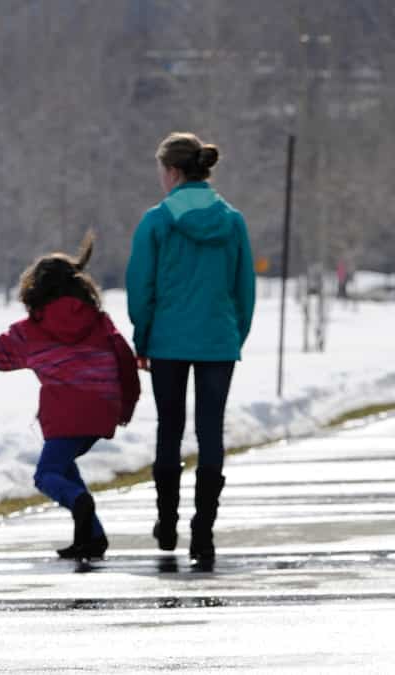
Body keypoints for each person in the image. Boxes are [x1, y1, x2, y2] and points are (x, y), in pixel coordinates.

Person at [0, 234, 140, 561]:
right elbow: (123, 358)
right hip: (102, 411)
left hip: (66, 415)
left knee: (46, 476)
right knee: (65, 468)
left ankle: (79, 503)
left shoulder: (31, 330)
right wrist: (126, 405)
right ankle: (92, 537)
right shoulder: (98, 321)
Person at [126, 132, 256, 570]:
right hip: (217, 339)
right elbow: (245, 288)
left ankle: (166, 522)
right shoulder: (233, 221)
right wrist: (234, 334)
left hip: (167, 340)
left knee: (170, 427)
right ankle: (204, 530)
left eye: (162, 171)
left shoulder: (157, 221)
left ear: (174, 171)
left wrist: (142, 337)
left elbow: (140, 286)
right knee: (210, 431)